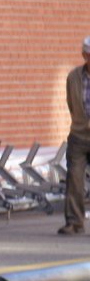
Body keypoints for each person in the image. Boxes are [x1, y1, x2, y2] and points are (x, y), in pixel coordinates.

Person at [60, 35, 90, 235]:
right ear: (84, 55)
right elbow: (71, 103)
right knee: (74, 179)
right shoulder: (73, 77)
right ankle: (74, 222)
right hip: (79, 136)